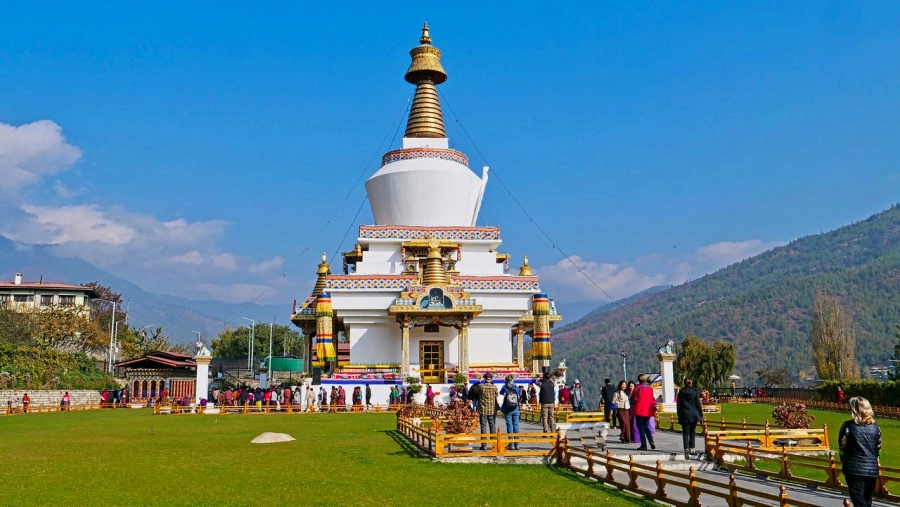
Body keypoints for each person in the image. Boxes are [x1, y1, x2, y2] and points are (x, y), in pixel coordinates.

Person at [840, 397, 882, 507]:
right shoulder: (876, 428)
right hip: (872, 469)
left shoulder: (847, 426)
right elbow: (878, 448)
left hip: (854, 468)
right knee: (867, 502)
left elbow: (842, 447)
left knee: (859, 502)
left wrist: (843, 461)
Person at [676, 378, 703, 459]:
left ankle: (686, 448)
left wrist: (679, 414)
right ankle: (692, 447)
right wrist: (700, 413)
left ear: (684, 383)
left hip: (685, 414)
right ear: (691, 383)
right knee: (692, 431)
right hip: (694, 414)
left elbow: (679, 405)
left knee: (685, 432)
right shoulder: (694, 392)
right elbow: (698, 404)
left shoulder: (681, 393)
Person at [471, 373, 499, 450]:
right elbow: (497, 395)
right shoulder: (494, 387)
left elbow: (475, 390)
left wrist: (479, 382)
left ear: (484, 378)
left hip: (483, 409)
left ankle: (484, 445)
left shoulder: (481, 387)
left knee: (483, 426)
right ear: (491, 379)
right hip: (492, 409)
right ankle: (494, 443)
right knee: (492, 425)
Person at [631, 374, 656, 450]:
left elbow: (634, 399)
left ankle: (644, 444)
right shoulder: (650, 388)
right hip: (648, 410)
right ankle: (651, 441)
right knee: (646, 426)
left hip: (639, 409)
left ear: (639, 380)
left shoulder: (638, 388)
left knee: (641, 428)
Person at [499, 376, 520, 450]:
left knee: (509, 426)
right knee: (516, 425)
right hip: (516, 408)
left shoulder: (505, 387)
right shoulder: (516, 387)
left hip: (508, 408)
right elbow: (518, 394)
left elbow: (500, 392)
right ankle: (517, 444)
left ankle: (511, 444)